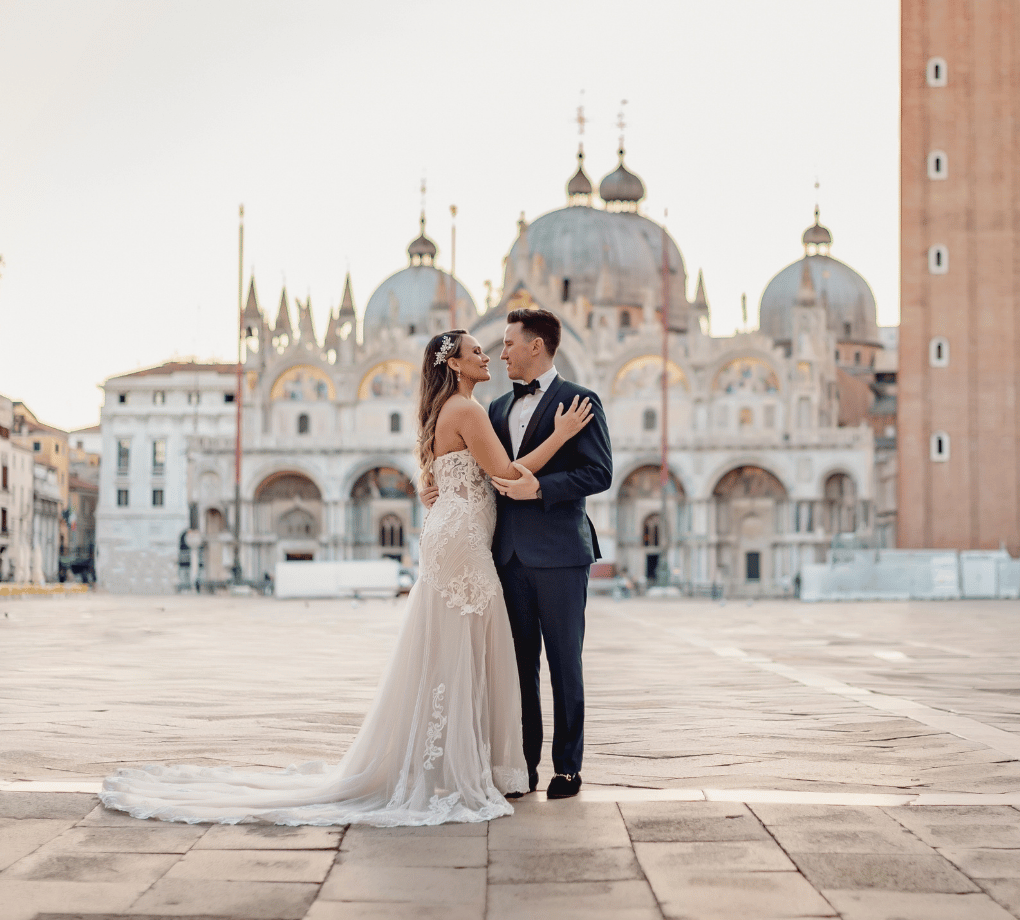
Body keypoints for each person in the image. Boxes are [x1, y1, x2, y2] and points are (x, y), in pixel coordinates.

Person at [99, 329, 591, 827]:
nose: (488, 354)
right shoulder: (467, 410)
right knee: (471, 649)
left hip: (454, 536)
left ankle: (451, 762)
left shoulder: (449, 411)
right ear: (456, 366)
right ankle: (467, 766)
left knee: (452, 650)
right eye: (477, 351)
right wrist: (561, 435)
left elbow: (454, 474)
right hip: (462, 544)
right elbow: (506, 475)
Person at [425, 310, 613, 799]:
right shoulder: (493, 409)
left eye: (508, 344)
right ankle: (521, 768)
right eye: (495, 346)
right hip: (504, 554)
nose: (500, 351)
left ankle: (567, 768)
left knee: (565, 664)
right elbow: (489, 473)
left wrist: (541, 491)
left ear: (536, 346)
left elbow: (599, 474)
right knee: (519, 666)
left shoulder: (580, 401)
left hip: (561, 552)